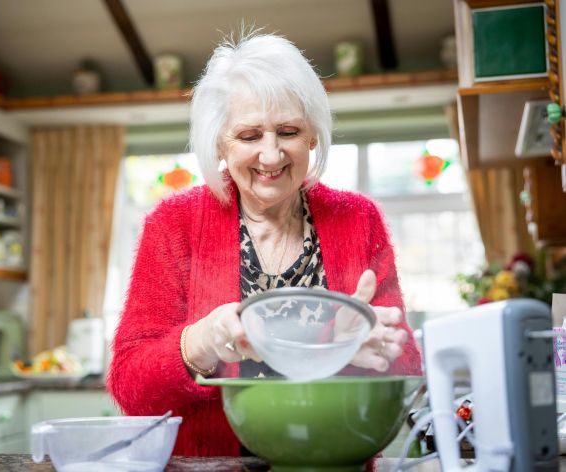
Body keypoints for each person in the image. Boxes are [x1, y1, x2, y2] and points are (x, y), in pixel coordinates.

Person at [107, 31, 422, 457]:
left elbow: (407, 370)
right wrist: (198, 343)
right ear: (220, 142)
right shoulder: (174, 225)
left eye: (288, 131)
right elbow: (130, 388)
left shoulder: (358, 219)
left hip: (333, 463)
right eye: (250, 136)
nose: (271, 156)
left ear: (312, 135)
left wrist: (361, 349)